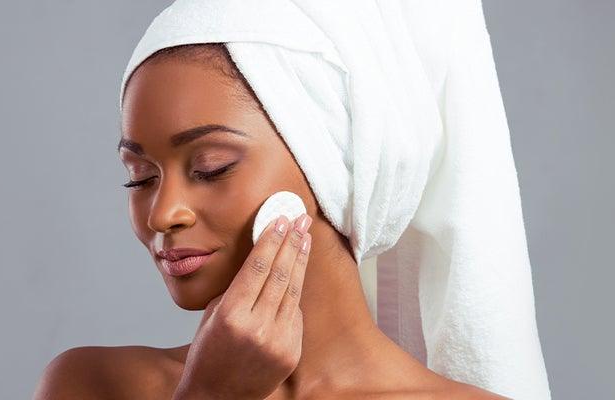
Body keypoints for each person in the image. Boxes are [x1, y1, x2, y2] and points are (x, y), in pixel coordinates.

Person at [33, 43, 507, 399]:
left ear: (336, 172)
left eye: (211, 168)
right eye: (140, 179)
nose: (162, 213)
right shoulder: (92, 385)